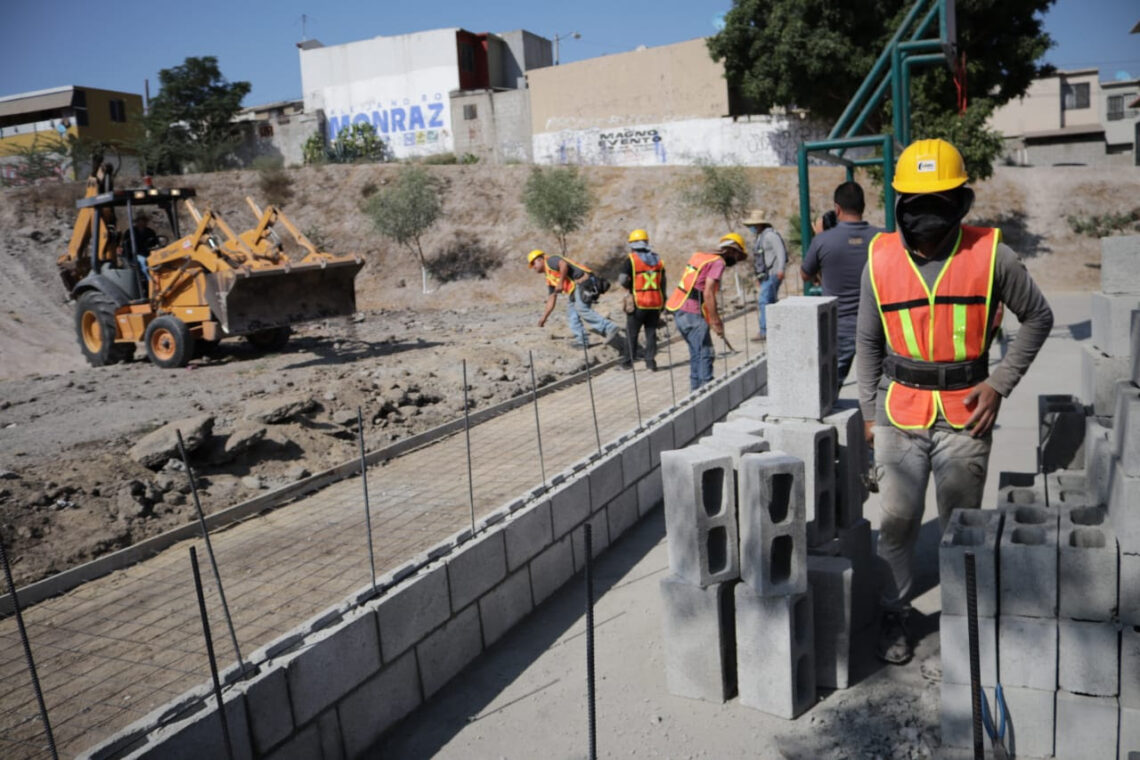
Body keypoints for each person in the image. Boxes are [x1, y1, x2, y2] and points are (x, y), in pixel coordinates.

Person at [856, 139, 1053, 665]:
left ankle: (964, 618)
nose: (925, 212)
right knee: (897, 519)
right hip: (899, 411)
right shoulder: (879, 259)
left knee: (961, 524)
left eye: (938, 201)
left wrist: (1001, 382)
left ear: (961, 201)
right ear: (899, 203)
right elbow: (868, 342)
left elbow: (1038, 316)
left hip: (966, 416)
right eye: (915, 202)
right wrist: (869, 414)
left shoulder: (993, 255)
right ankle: (894, 611)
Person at [801, 181, 881, 389]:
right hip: (876, 327)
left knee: (829, 388)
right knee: (879, 387)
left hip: (839, 327)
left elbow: (805, 274)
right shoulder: (882, 239)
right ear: (863, 206)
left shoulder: (823, 241)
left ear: (837, 208)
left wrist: (819, 238)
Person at [665, 233, 748, 391]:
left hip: (679, 309)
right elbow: (708, 293)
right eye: (738, 256)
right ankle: (706, 391)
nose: (737, 260)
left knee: (696, 353)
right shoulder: (718, 262)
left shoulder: (700, 256)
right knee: (705, 354)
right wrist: (716, 321)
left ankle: (695, 392)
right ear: (732, 251)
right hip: (692, 312)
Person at [529, 249, 622, 350]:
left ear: (540, 259)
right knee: (572, 315)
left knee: (582, 308)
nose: (533, 267)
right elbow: (552, 298)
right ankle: (582, 342)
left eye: (533, 264)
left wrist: (560, 283)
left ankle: (609, 328)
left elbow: (563, 264)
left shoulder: (551, 260)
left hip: (584, 281)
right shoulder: (549, 277)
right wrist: (544, 318)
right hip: (574, 289)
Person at [617, 229, 666, 371]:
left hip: (639, 302)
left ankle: (627, 363)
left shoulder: (631, 260)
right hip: (655, 302)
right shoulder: (658, 260)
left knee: (632, 333)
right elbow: (663, 282)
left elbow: (622, 279)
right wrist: (663, 302)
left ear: (633, 245)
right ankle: (651, 363)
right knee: (651, 333)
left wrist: (629, 286)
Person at [744, 210, 787, 342]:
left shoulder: (770, 236)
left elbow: (780, 252)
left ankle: (765, 331)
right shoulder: (760, 237)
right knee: (771, 301)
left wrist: (781, 269)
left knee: (764, 300)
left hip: (773, 273)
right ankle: (776, 328)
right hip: (765, 275)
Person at [123, 210, 160, 277]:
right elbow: (125, 246)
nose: (143, 223)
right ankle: (149, 279)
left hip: (149, 254)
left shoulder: (150, 232)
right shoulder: (129, 232)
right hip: (134, 255)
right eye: (141, 220)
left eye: (144, 221)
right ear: (137, 222)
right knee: (143, 261)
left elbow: (155, 243)